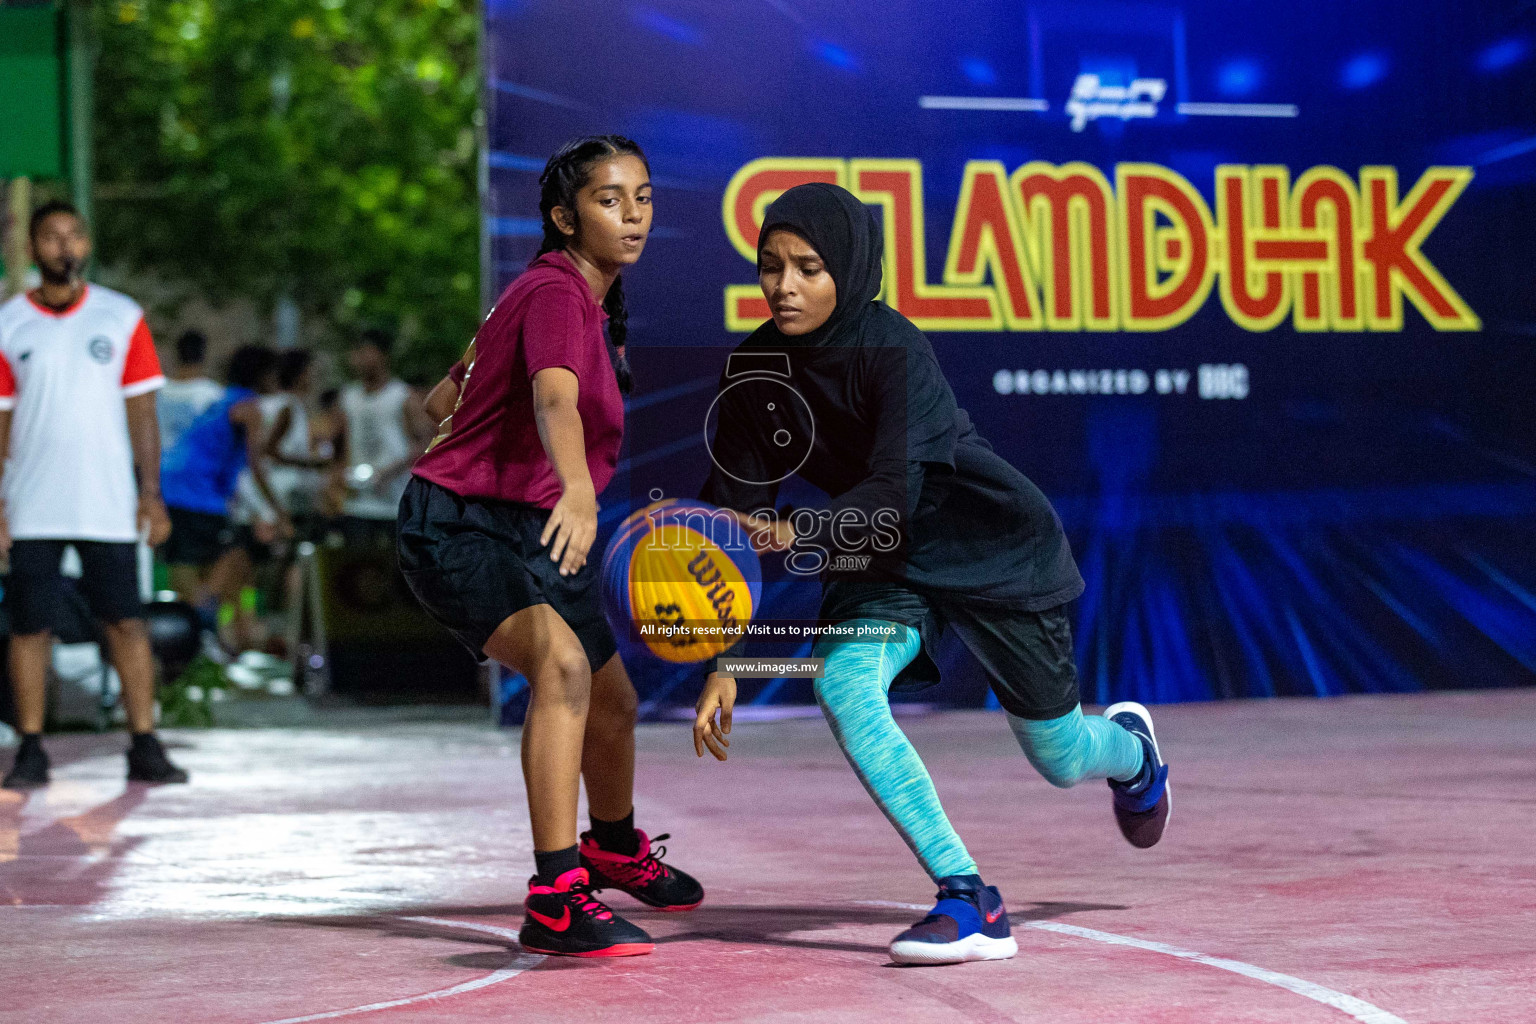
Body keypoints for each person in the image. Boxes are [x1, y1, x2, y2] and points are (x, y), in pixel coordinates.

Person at [692, 183, 1171, 965]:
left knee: (1058, 758)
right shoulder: (755, 370)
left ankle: (1132, 752)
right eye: (770, 265)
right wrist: (725, 658)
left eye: (808, 267)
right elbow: (730, 525)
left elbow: (895, 496)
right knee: (843, 684)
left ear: (849, 269)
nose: (783, 285)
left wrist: (795, 529)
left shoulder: (895, 351)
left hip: (990, 547)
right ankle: (968, 898)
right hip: (881, 564)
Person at [401, 135, 699, 958]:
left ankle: (611, 847)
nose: (633, 214)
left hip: (522, 524)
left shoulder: (547, 296)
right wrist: (573, 485)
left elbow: (437, 402)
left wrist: (489, 423)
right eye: (610, 200)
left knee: (613, 704)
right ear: (566, 217)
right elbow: (555, 396)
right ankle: (556, 896)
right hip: (462, 526)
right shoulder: (558, 294)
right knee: (564, 670)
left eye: (643, 197)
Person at [0, 200, 187, 788]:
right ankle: (32, 746)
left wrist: (150, 494)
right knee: (30, 626)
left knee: (126, 622)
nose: (64, 246)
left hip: (106, 500)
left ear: (86, 245)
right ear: (33, 250)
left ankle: (144, 742)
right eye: (51, 237)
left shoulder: (120, 316)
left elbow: (143, 413)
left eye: (73, 235)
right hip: (31, 501)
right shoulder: (8, 324)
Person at [160, 345, 292, 651]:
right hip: (198, 493)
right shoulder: (250, 408)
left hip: (176, 487)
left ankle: (211, 634)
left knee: (196, 565)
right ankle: (203, 630)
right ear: (262, 374)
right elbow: (255, 466)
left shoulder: (221, 399)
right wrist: (275, 512)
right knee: (234, 557)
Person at [336, 330, 433, 548]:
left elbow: (426, 442)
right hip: (358, 501)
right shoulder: (348, 397)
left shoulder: (402, 396)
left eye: (365, 352)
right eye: (356, 353)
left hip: (394, 501)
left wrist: (391, 471)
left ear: (382, 355)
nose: (359, 359)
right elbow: (341, 445)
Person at [158, 330, 224, 454]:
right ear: (204, 356)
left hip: (160, 464)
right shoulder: (213, 394)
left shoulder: (158, 390)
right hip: (193, 466)